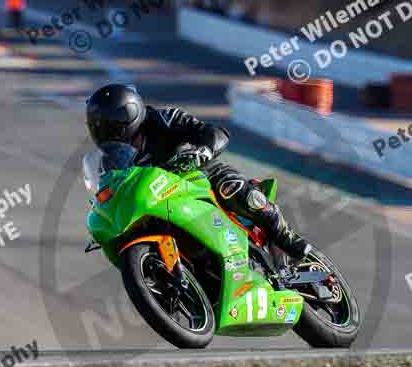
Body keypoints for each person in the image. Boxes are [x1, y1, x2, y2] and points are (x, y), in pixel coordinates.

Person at [85, 84, 311, 267]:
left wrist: (203, 150)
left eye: (105, 125)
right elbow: (110, 188)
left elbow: (214, 133)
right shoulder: (109, 159)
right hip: (160, 202)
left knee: (235, 191)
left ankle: (285, 237)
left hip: (200, 176)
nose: (101, 132)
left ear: (127, 115)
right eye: (96, 126)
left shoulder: (163, 120)